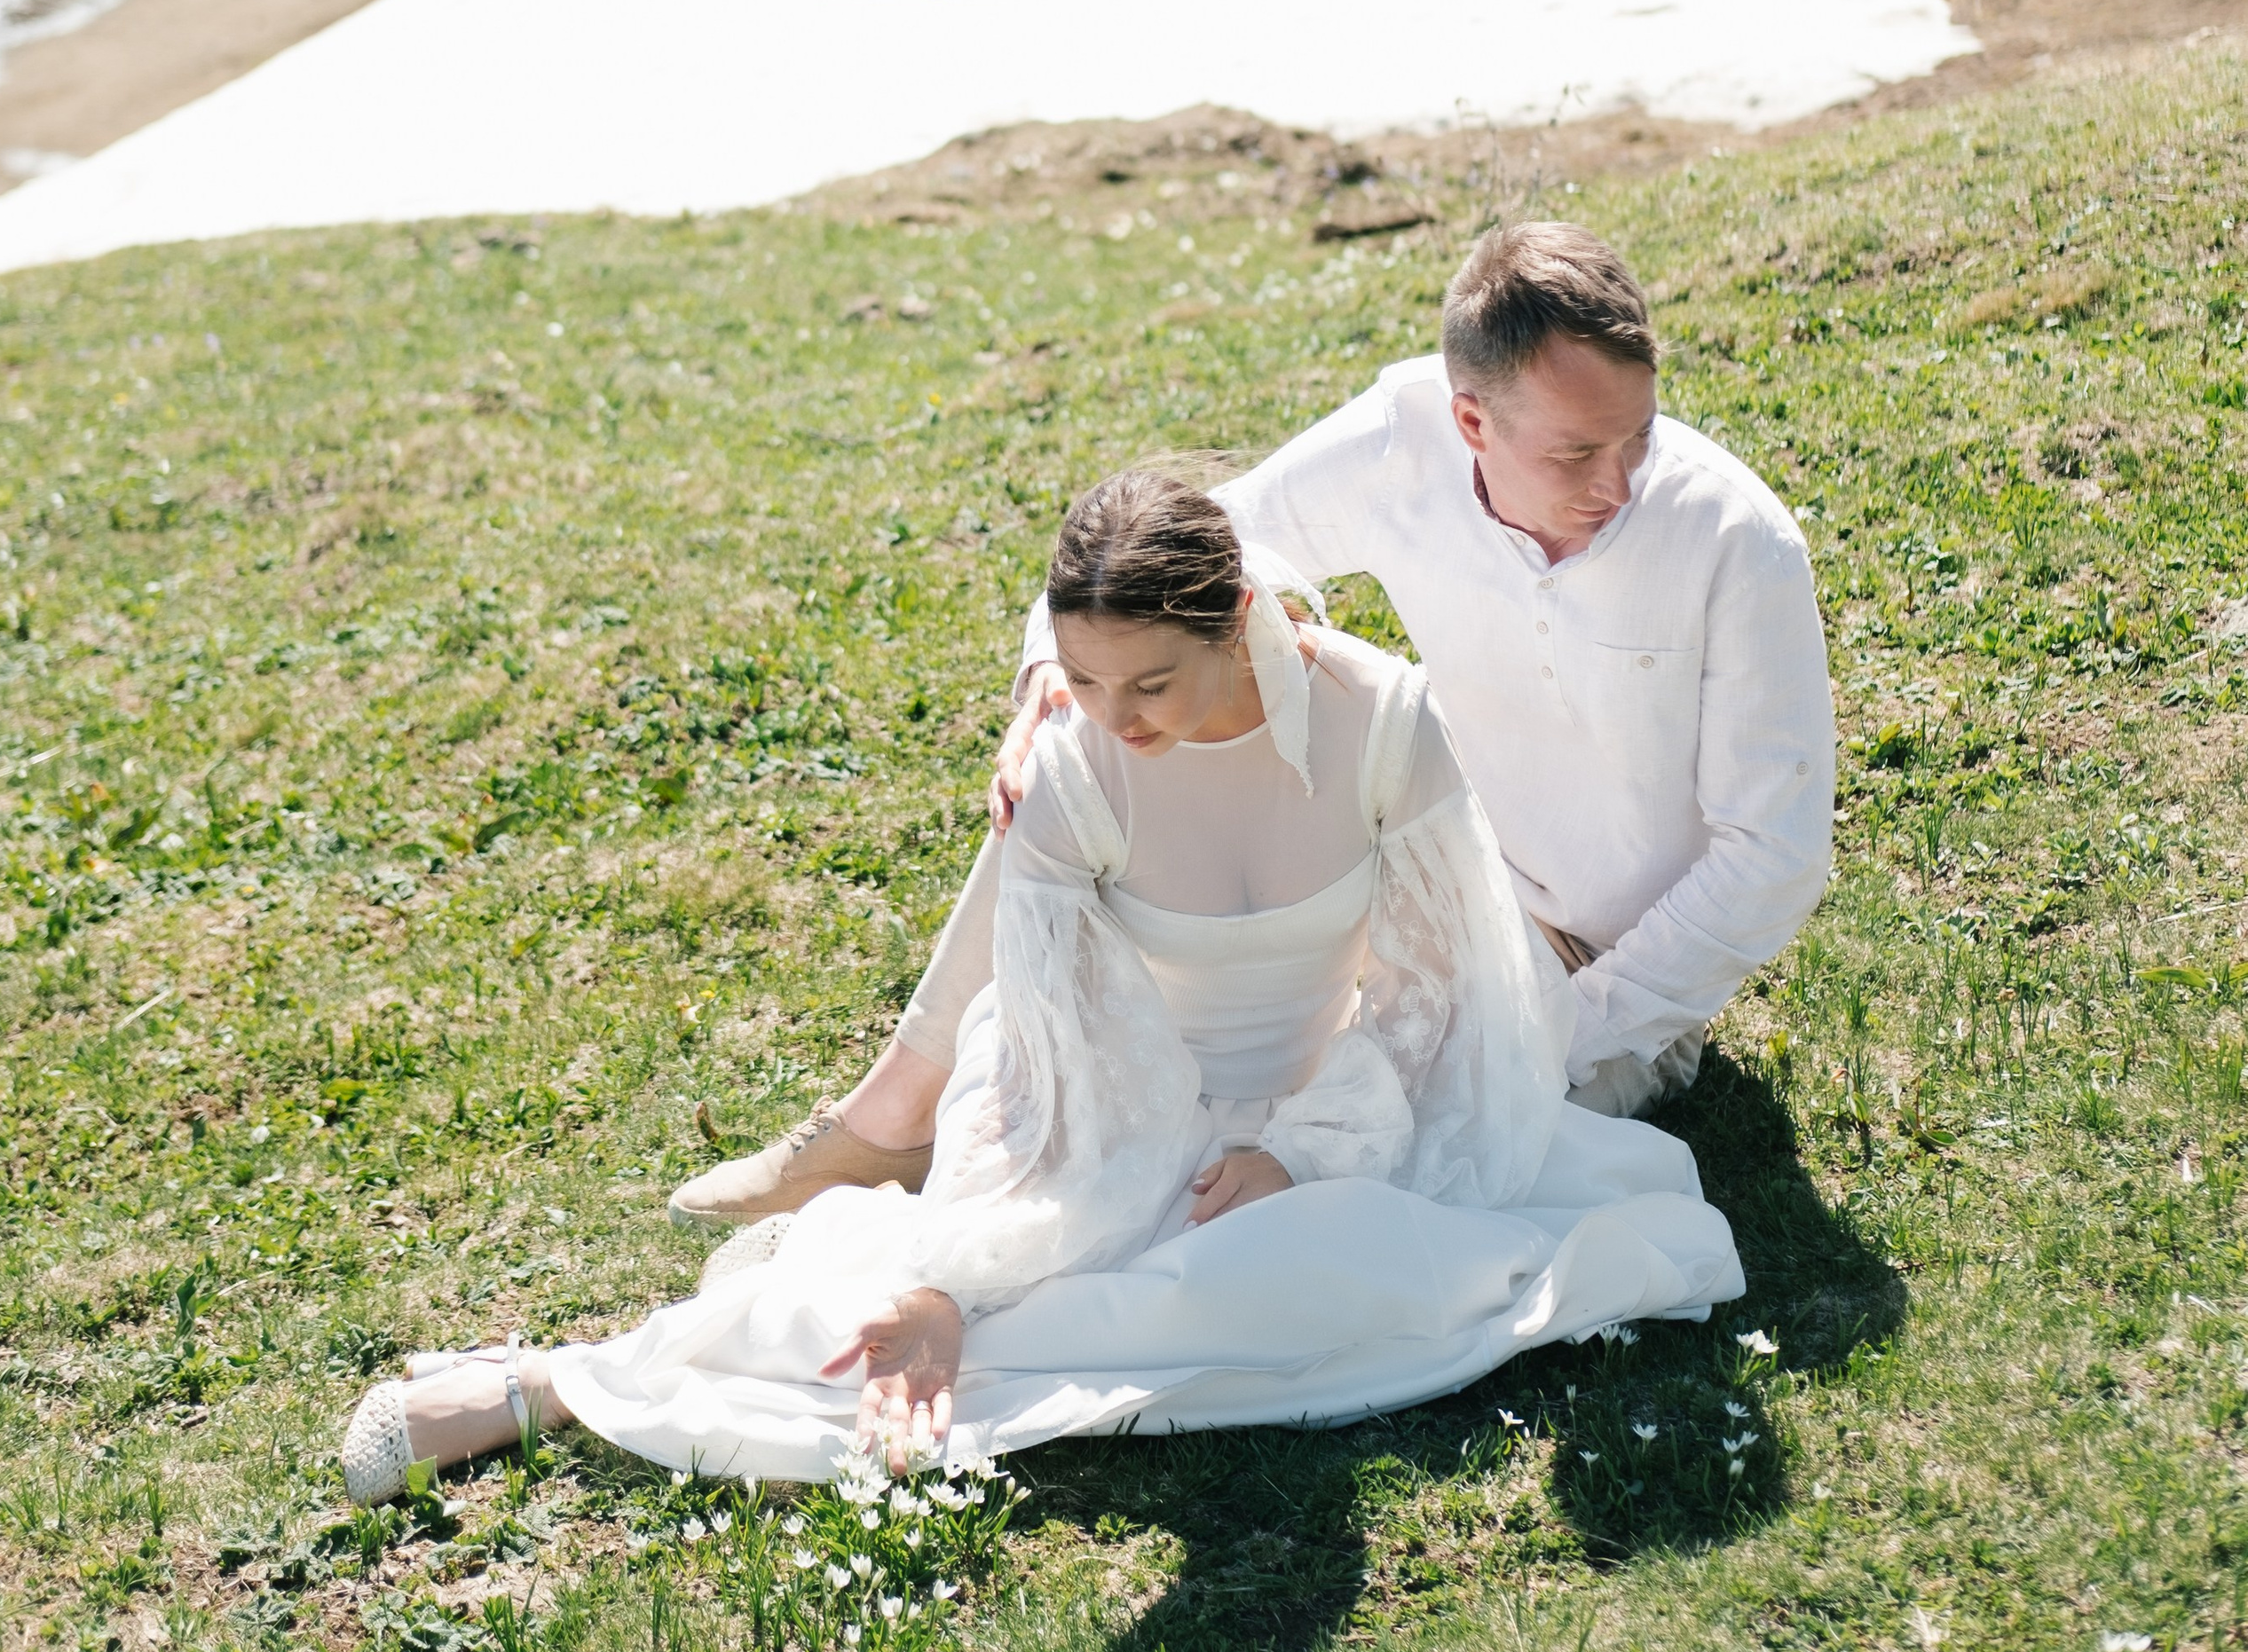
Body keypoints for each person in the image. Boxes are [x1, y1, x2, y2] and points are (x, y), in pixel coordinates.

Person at [341, 473, 1741, 1498]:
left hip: (1327, 1109)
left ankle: (1207, 1241)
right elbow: (1063, 1064)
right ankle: (562, 1385)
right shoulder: (1069, 771)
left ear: (1240, 618)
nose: (1117, 721)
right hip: (1101, 1108)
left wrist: (1304, 1148)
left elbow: (1442, 1009)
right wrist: (956, 1277)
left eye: (1152, 683)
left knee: (1312, 1276)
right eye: (1079, 678)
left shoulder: (1386, 728)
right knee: (970, 1309)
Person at [679, 220, 1833, 1227]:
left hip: (1585, 965)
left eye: (1639, 435)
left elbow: (1771, 858)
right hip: (1409, 868)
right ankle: (889, 1120)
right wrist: (1047, 676)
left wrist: (1576, 1028)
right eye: (1577, 452)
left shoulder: (1738, 544)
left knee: (1316, 1153)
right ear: (1469, 419)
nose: (1619, 481)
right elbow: (1202, 539)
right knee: (1078, 757)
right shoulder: (1401, 438)